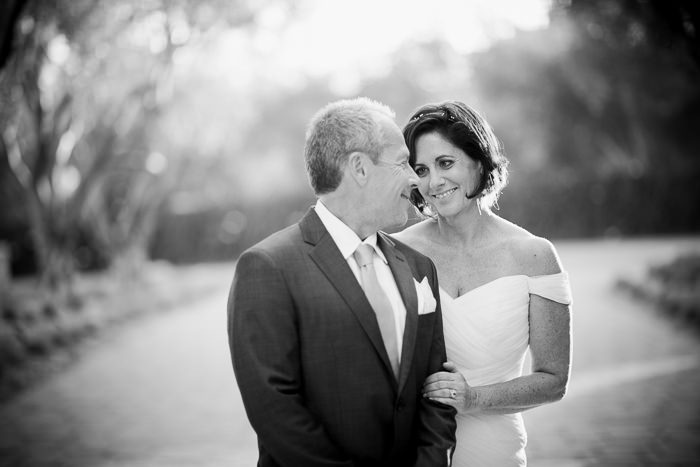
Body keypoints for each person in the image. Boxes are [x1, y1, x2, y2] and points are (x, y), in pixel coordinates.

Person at [228, 97, 456, 467]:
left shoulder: (418, 267)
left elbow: (436, 388)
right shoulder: (268, 266)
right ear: (359, 168)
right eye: (402, 164)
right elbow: (274, 407)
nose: (417, 180)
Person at [393, 101, 572, 466]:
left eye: (446, 163)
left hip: (495, 450)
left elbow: (554, 380)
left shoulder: (534, 256)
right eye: (421, 170)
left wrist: (473, 398)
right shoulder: (398, 252)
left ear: (478, 160)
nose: (434, 182)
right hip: (411, 449)